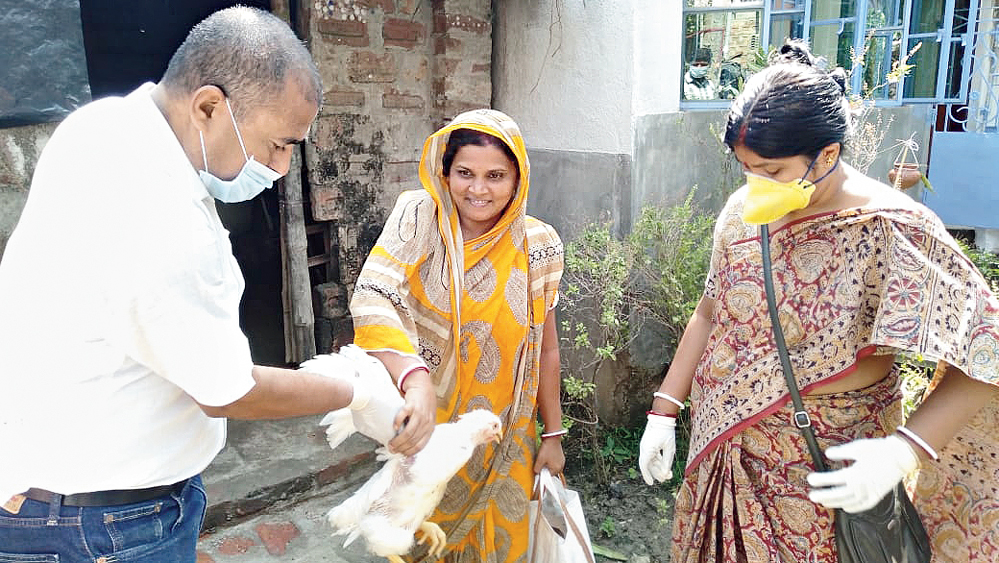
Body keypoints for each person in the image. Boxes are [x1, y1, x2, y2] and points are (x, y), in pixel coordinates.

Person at [0, 7, 391, 562]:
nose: (281, 167)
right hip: (99, 525)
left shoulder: (106, 124)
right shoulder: (157, 213)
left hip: (62, 489)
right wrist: (358, 391)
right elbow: (228, 391)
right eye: (279, 144)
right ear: (209, 106)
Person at [638, 40, 999, 562]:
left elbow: (985, 353)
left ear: (827, 155)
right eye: (746, 168)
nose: (755, 183)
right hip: (727, 458)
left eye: (772, 170)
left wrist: (904, 452)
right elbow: (711, 308)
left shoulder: (894, 229)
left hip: (826, 477)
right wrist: (665, 410)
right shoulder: (743, 214)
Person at [349, 108, 566, 562]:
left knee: (502, 544)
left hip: (504, 436)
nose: (479, 189)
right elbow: (373, 294)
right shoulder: (419, 219)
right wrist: (416, 378)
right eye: (465, 173)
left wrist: (553, 436)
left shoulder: (538, 245)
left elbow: (545, 350)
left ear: (518, 179)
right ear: (444, 172)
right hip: (433, 432)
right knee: (420, 541)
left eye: (496, 176)